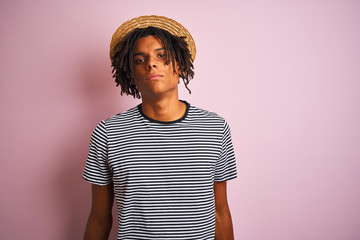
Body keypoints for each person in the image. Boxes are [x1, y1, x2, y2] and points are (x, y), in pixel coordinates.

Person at [83, 15, 237, 240]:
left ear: (181, 66)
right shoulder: (108, 133)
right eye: (139, 60)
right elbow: (99, 218)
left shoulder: (215, 128)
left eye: (162, 55)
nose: (150, 63)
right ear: (131, 75)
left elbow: (221, 212)